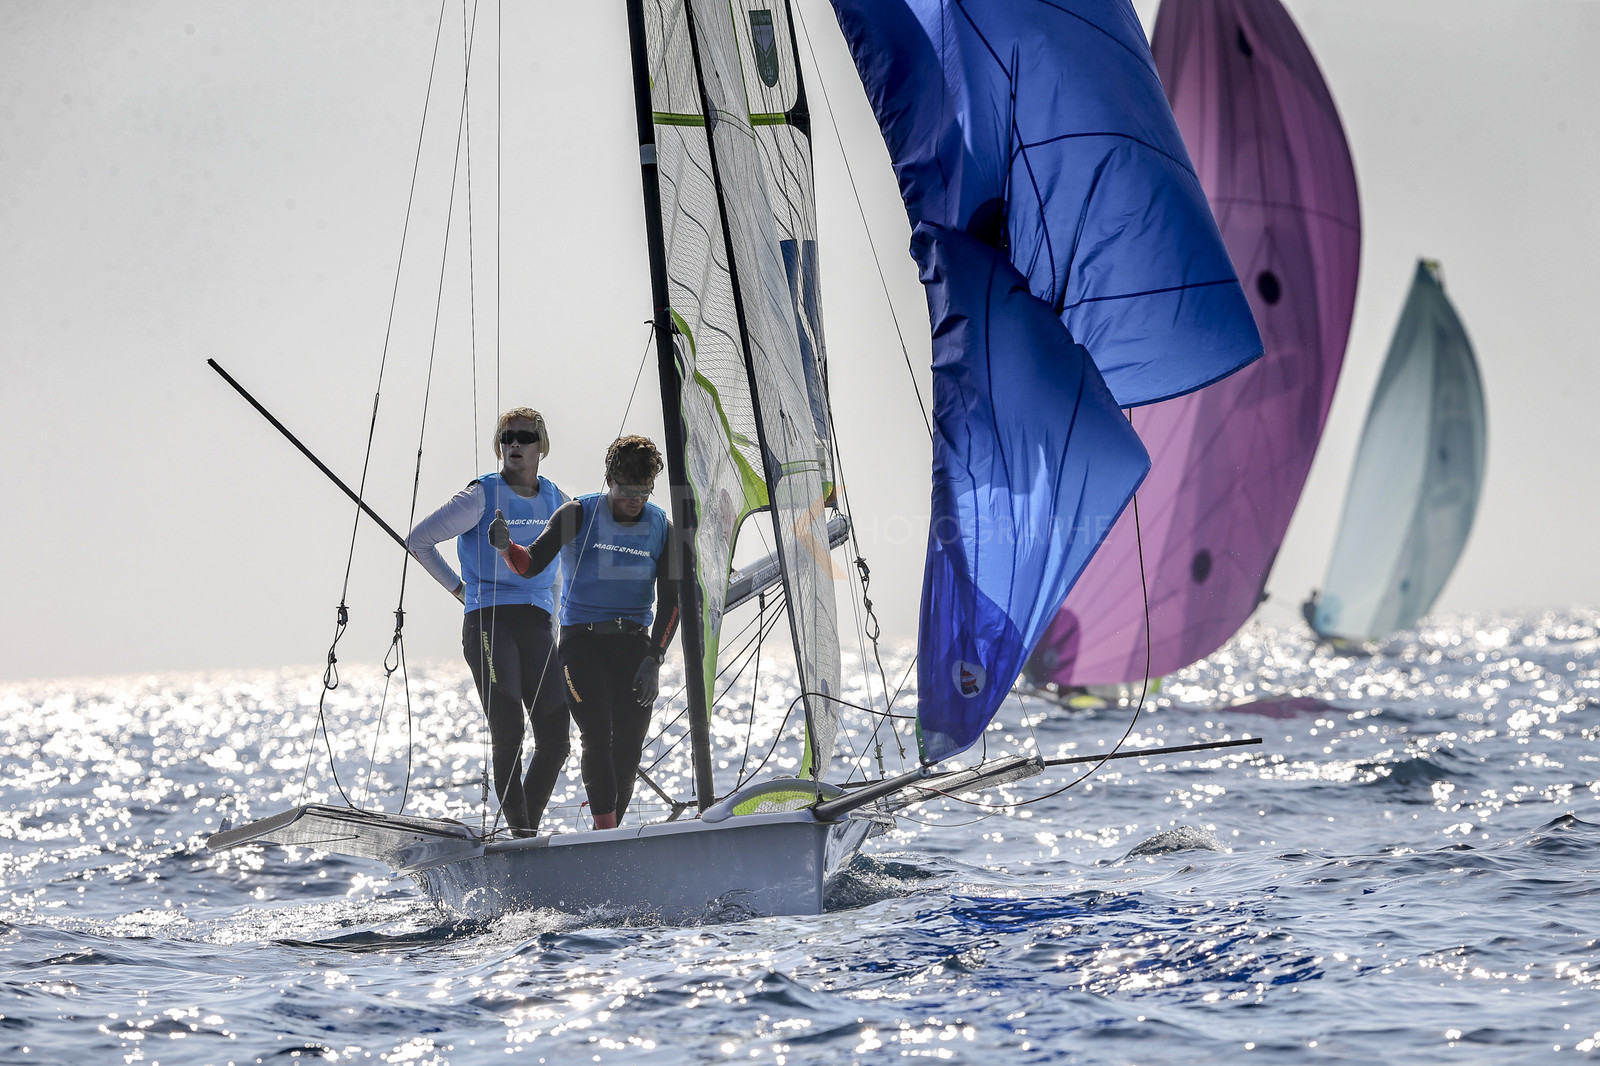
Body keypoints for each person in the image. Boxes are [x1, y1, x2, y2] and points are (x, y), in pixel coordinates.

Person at [491, 435, 679, 830]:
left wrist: (654, 659)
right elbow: (531, 564)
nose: (635, 501)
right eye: (627, 490)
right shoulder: (577, 513)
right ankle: (608, 834)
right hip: (582, 644)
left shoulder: (660, 524)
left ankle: (604, 838)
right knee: (598, 737)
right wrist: (508, 548)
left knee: (627, 752)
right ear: (609, 478)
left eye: (644, 492)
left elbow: (673, 601)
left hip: (634, 646)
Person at [405, 407, 570, 835]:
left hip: (536, 624)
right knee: (509, 729)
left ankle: (524, 833)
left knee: (555, 739)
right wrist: (460, 590)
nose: (514, 444)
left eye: (525, 438)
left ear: (542, 446)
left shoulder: (559, 500)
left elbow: (558, 573)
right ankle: (522, 835)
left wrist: (554, 621)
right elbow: (419, 541)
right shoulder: (480, 495)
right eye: (507, 437)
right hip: (488, 622)